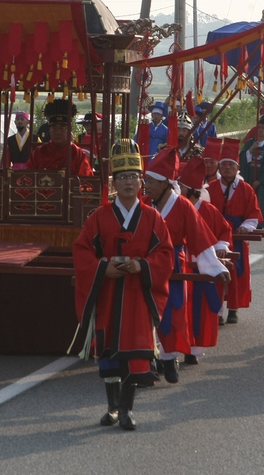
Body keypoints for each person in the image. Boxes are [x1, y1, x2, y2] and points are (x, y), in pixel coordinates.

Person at [72, 139, 174, 431]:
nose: (129, 182)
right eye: (122, 177)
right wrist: (103, 268)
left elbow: (165, 254)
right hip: (108, 293)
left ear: (141, 181)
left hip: (137, 296)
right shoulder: (99, 217)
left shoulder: (153, 217)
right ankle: (112, 407)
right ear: (113, 182)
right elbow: (81, 251)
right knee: (108, 352)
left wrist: (142, 265)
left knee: (135, 353)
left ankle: (127, 409)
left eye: (134, 177)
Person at [142, 147, 228, 383]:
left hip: (173, 265)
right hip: (146, 265)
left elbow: (200, 239)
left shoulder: (183, 206)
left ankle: (169, 360)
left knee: (172, 313)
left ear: (164, 184)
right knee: (145, 313)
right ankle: (147, 360)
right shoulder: (145, 205)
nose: (145, 185)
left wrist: (216, 268)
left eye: (150, 181)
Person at [178, 150, 234, 354]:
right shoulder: (176, 208)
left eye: (182, 188)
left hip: (202, 268)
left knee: (199, 310)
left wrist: (220, 247)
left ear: (192, 190)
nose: (178, 191)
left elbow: (224, 231)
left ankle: (195, 349)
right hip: (182, 265)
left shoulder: (208, 210)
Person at [206, 138, 262, 324]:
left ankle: (233, 309)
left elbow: (253, 213)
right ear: (219, 168)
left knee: (237, 275)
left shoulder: (246, 189)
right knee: (215, 272)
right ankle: (218, 311)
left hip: (237, 236)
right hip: (215, 237)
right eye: (224, 165)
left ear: (237, 168)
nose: (227, 168)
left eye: (231, 165)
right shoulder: (210, 188)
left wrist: (246, 227)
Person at [26, 98, 94, 176]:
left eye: (63, 127)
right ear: (49, 129)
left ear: (70, 129)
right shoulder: (38, 153)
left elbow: (86, 183)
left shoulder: (78, 154)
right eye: (54, 127)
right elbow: (28, 180)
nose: (58, 132)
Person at [239, 115, 264, 230]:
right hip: (249, 176)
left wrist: (260, 180)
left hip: (261, 181)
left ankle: (261, 223)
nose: (260, 130)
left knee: (260, 200)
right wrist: (251, 149)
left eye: (263, 128)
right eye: (259, 127)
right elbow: (242, 158)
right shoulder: (250, 142)